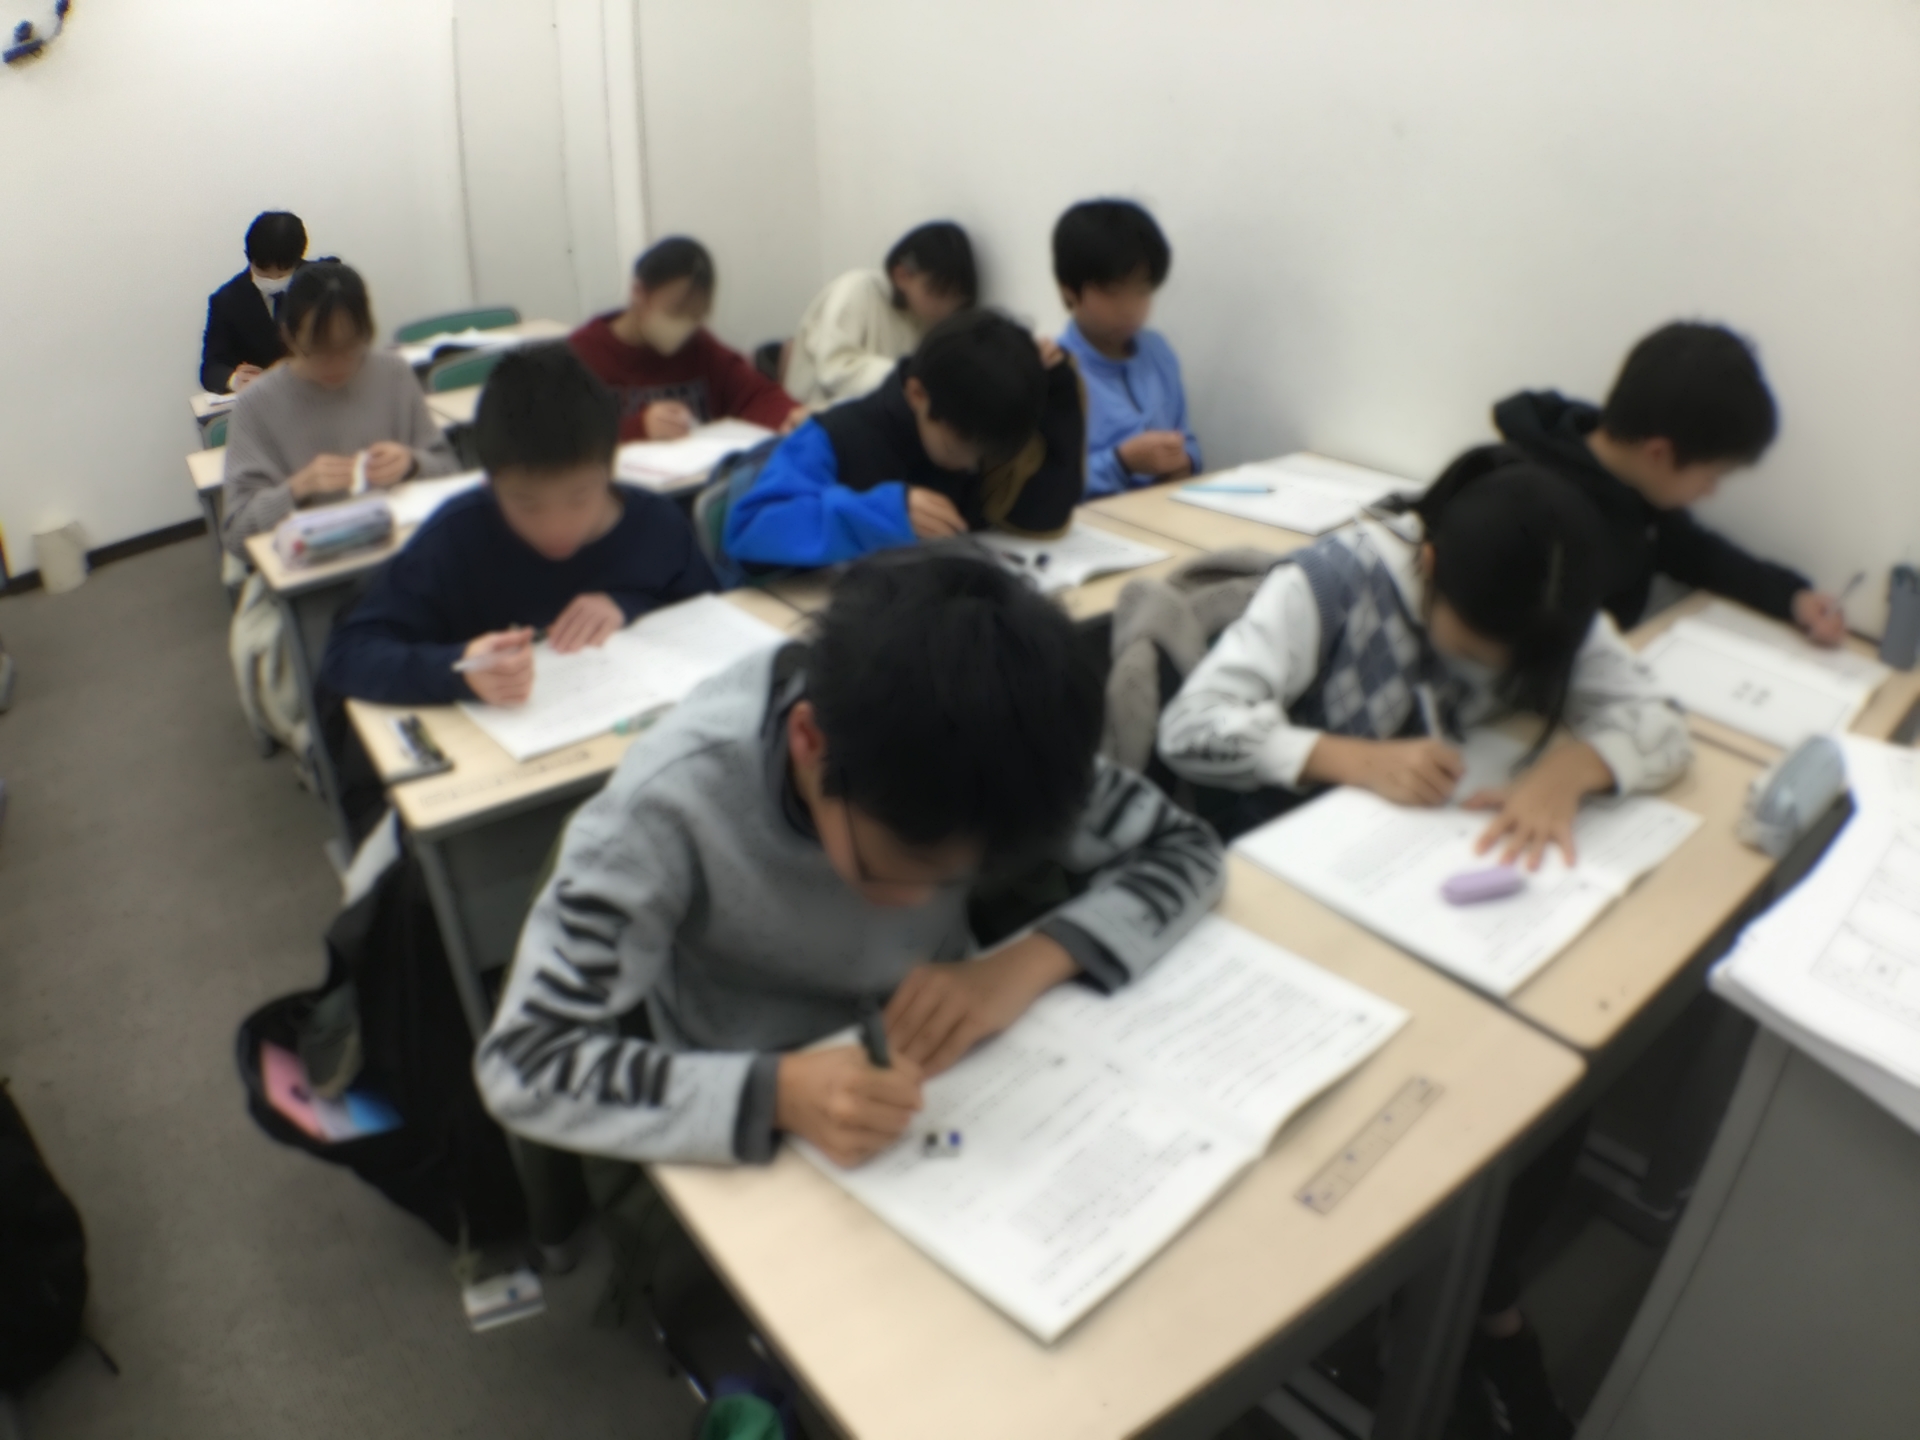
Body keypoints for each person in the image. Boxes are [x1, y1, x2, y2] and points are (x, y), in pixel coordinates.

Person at [477, 546, 1225, 1170]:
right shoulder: (668, 805)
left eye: (959, 876)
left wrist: (1020, 966)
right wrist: (779, 1093)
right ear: (809, 742)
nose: (917, 902)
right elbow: (524, 1062)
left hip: (949, 1066)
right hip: (755, 1092)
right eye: (893, 869)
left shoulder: (992, 746)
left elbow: (1188, 847)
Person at [1157, 456, 1694, 860]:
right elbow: (1189, 726)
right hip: (1297, 849)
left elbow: (1660, 720)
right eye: (1471, 652)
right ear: (1430, 565)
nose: (1491, 673)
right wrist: (1356, 760)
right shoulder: (1334, 583)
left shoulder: (1550, 605)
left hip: (1435, 844)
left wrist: (1571, 770)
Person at [318, 344, 717, 707]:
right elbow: (347, 654)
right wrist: (457, 668)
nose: (557, 527)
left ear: (610, 470)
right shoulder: (458, 536)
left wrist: (629, 605)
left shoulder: (656, 525)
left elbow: (711, 618)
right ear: (489, 483)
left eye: (579, 497)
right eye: (528, 504)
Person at [1486, 321, 1849, 645]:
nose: (1711, 491)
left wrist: (1791, 598)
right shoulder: (1532, 511)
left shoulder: (1634, 480)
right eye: (1711, 477)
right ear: (1659, 453)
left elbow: (1692, 553)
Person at [722, 309, 1085, 569]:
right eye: (958, 450)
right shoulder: (834, 437)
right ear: (917, 394)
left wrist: (1058, 395)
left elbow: (1040, 518)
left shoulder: (974, 425)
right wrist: (886, 513)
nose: (971, 465)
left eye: (981, 456)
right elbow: (750, 526)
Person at [220, 261, 457, 558]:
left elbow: (449, 470)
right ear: (289, 336)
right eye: (319, 349)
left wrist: (412, 464)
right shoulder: (257, 404)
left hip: (402, 555)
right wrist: (297, 489)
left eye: (350, 347)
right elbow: (236, 535)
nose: (337, 364)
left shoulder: (393, 374)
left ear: (367, 333)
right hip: (312, 570)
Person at [569, 236, 804, 444]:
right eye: (675, 312)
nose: (683, 328)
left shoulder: (701, 349)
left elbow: (756, 395)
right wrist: (638, 428)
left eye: (695, 317)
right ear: (639, 293)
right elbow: (562, 436)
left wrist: (793, 417)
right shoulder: (582, 355)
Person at [1053, 199, 1199, 496]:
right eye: (1113, 293)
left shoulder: (1157, 352)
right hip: (1089, 520)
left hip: (1160, 510)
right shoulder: (1053, 370)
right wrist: (1121, 462)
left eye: (1142, 291)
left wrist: (1184, 460)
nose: (1130, 308)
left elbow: (1188, 441)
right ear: (1068, 291)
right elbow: (1042, 485)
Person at [783, 221, 977, 408]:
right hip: (811, 415)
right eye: (940, 293)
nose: (947, 307)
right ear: (902, 275)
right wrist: (908, 377)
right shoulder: (857, 288)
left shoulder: (925, 317)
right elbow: (834, 369)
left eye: (956, 298)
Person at [200, 211, 308, 394]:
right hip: (260, 400)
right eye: (263, 272)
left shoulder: (324, 284)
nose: (273, 279)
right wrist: (234, 379)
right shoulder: (227, 300)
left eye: (282, 274)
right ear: (249, 257)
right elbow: (212, 367)